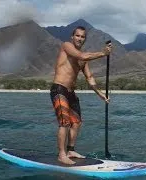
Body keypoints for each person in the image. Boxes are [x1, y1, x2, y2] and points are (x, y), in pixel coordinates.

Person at [50, 26, 112, 165]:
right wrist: (103, 53)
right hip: (59, 89)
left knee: (77, 122)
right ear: (72, 37)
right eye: (77, 36)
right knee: (64, 122)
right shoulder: (66, 46)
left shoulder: (84, 59)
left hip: (71, 93)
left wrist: (100, 94)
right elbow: (82, 56)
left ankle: (70, 150)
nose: (79, 39)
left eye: (82, 37)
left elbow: (89, 77)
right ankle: (61, 154)